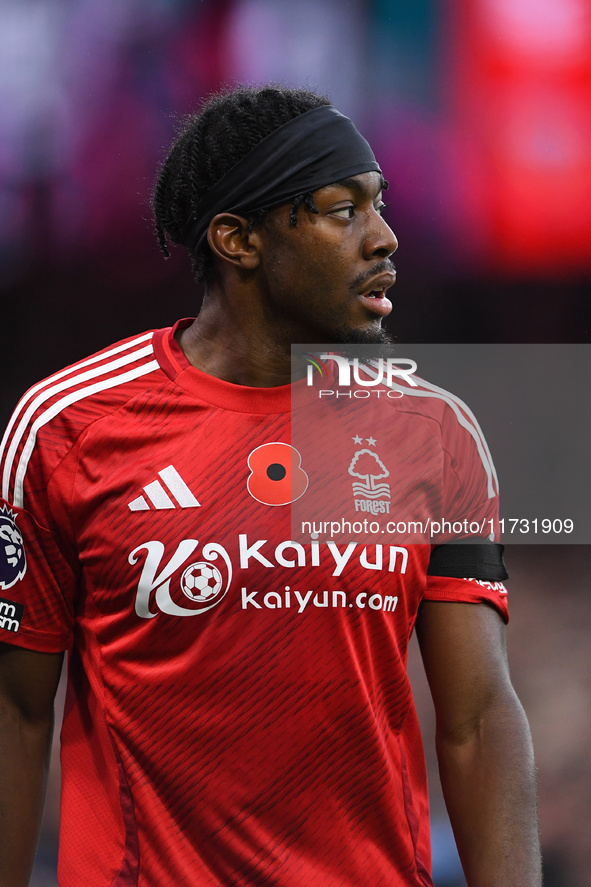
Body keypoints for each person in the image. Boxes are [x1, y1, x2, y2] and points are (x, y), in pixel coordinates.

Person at [0, 85, 541, 887]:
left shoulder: (429, 433)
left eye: (380, 205)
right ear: (237, 240)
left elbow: (476, 718)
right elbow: (15, 713)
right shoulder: (68, 426)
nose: (384, 237)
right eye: (342, 210)